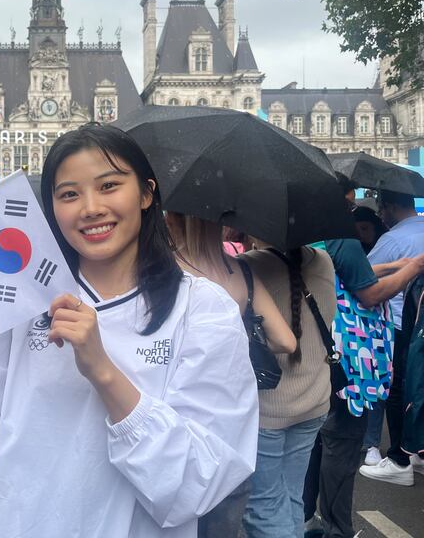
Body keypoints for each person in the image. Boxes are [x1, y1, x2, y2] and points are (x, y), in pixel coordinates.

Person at [0, 124, 258, 537]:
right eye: (69, 194)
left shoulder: (202, 309)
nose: (90, 208)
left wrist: (103, 371)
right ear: (51, 208)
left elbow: (201, 483)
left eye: (109, 185)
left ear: (145, 193)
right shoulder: (24, 293)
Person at [302, 175, 424, 537]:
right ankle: (338, 528)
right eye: (350, 200)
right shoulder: (341, 235)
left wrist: (398, 265)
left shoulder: (309, 232)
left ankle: (306, 518)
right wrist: (414, 268)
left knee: (316, 444)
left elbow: (353, 274)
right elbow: (369, 293)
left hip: (317, 350)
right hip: (351, 360)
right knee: (342, 444)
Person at [164, 212, 296, 538]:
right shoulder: (242, 272)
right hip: (232, 426)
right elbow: (286, 340)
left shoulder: (163, 270)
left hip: (176, 420)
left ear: (174, 220)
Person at [240, 244, 335, 538]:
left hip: (267, 409)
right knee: (292, 496)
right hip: (314, 400)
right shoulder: (324, 260)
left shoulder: (247, 265)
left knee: (263, 506)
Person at [359, 189, 424, 486]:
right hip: (419, 322)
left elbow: (363, 274)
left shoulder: (393, 239)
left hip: (400, 324)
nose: (380, 214)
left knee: (398, 390)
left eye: (383, 208)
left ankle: (400, 459)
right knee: (420, 389)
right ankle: (418, 451)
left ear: (394, 206)